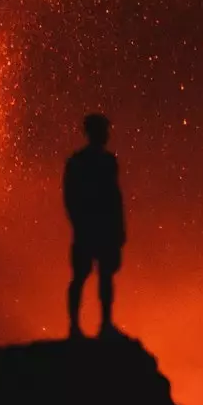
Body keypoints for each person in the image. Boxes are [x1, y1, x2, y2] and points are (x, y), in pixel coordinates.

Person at [64, 113, 126, 338]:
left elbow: (114, 196)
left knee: (95, 276)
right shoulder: (87, 162)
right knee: (88, 276)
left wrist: (117, 228)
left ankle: (97, 325)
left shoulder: (88, 161)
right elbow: (72, 197)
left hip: (95, 228)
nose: (106, 135)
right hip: (94, 227)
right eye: (103, 130)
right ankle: (86, 326)